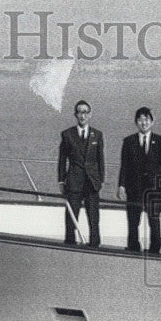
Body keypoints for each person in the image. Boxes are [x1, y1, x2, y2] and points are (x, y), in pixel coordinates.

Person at [117, 107, 161, 253]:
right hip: (134, 187)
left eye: (146, 119)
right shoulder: (128, 141)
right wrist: (121, 185)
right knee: (133, 220)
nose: (143, 123)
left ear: (152, 122)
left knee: (154, 219)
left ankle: (155, 249)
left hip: (154, 187)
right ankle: (133, 247)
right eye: (140, 119)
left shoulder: (160, 141)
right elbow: (124, 165)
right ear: (136, 122)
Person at [58, 99, 105, 246]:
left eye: (85, 112)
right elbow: (62, 159)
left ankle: (95, 246)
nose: (82, 116)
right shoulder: (67, 135)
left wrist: (101, 179)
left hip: (92, 183)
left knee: (94, 218)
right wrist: (61, 180)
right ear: (75, 114)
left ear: (90, 114)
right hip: (74, 181)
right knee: (71, 218)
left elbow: (100, 159)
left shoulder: (97, 135)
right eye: (79, 112)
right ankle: (70, 244)